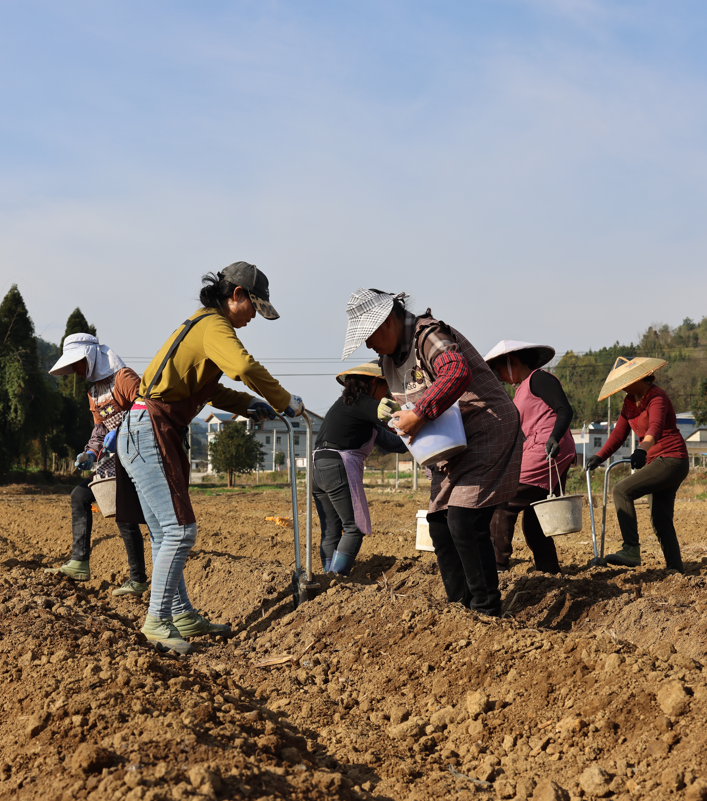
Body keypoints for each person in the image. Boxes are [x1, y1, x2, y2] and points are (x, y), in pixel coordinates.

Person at [119, 262, 303, 653]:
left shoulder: (201, 326)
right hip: (151, 429)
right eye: (254, 306)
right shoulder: (214, 326)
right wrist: (283, 401)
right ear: (236, 295)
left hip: (144, 428)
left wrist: (251, 403)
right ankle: (156, 622)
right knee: (179, 531)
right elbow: (242, 366)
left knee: (164, 533)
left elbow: (212, 391)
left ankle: (181, 613)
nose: (254, 316)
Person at [342, 289, 521, 617]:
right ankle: (460, 607)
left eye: (368, 336)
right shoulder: (388, 361)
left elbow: (455, 371)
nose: (367, 345)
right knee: (439, 522)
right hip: (449, 440)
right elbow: (412, 409)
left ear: (386, 322)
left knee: (465, 520)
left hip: (485, 426)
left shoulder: (427, 335)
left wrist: (419, 413)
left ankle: (486, 609)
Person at [46, 333, 149, 597]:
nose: (76, 372)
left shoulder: (122, 378)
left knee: (124, 515)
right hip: (113, 459)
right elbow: (100, 429)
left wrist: (124, 430)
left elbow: (148, 407)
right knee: (80, 495)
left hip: (137, 453)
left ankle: (138, 580)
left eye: (77, 365)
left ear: (91, 358)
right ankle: (80, 561)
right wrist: (90, 453)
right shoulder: (93, 392)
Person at [586, 357, 689, 573]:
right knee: (660, 520)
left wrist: (642, 449)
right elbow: (618, 434)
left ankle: (631, 548)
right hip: (657, 460)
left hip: (671, 458)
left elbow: (655, 428)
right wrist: (600, 456)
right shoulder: (630, 401)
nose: (623, 388)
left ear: (638, 378)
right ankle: (675, 569)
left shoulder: (656, 397)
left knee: (621, 490)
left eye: (625, 383)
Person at [483, 340, 576, 574]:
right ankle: (549, 573)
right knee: (534, 520)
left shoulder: (539, 379)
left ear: (512, 361)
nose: (499, 376)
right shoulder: (522, 388)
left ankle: (496, 568)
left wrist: (554, 437)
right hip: (541, 450)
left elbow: (564, 409)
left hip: (546, 450)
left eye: (499, 369)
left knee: (502, 502)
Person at [312, 361, 406, 577]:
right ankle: (338, 579)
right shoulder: (365, 403)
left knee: (331, 530)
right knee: (354, 528)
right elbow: (393, 421)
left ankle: (328, 577)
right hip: (336, 468)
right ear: (374, 382)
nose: (387, 392)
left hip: (317, 469)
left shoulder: (346, 406)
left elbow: (393, 443)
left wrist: (414, 446)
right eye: (386, 386)